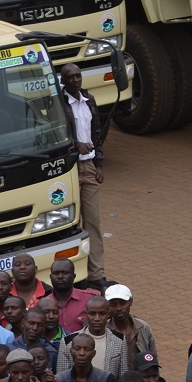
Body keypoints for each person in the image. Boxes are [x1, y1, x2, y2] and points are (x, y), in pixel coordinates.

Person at [58, 62, 105, 281]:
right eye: (71, 77)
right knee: (70, 225)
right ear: (63, 80)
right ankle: (74, 277)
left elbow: (97, 134)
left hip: (89, 167)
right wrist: (75, 144)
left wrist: (100, 165)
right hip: (69, 170)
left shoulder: (90, 101)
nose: (76, 80)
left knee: (93, 223)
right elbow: (55, 136)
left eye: (78, 76)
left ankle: (97, 275)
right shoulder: (58, 104)